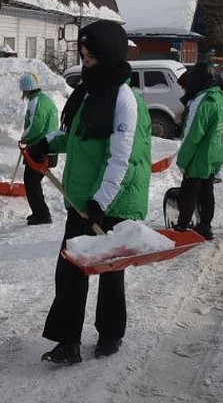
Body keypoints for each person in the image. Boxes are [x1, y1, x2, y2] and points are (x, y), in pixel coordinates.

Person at [39, 20, 151, 365]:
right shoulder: (88, 93)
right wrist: (45, 142)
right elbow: (78, 137)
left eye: (89, 57)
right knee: (71, 269)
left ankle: (110, 333)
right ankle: (68, 341)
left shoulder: (125, 100)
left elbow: (122, 158)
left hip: (111, 201)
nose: (84, 63)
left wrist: (100, 202)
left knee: (108, 269)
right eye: (83, 55)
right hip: (84, 199)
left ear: (107, 55)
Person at [172, 62, 223, 240]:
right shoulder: (220, 97)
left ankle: (182, 226)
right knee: (206, 191)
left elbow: (192, 134)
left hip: (198, 156)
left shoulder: (202, 100)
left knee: (188, 191)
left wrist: (182, 160)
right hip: (214, 153)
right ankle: (205, 226)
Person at [18, 71, 60, 225]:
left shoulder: (36, 101)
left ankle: (42, 215)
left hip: (40, 148)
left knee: (31, 181)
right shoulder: (43, 99)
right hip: (46, 147)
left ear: (26, 89)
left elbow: (36, 126)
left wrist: (24, 137)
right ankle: (39, 212)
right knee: (33, 181)